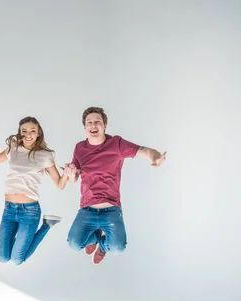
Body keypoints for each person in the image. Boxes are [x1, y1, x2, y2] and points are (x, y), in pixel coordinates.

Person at [65, 106, 167, 265]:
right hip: (87, 208)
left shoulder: (116, 144)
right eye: (89, 122)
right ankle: (95, 236)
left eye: (97, 122)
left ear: (105, 125)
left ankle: (103, 246)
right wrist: (71, 175)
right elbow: (74, 177)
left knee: (118, 248)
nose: (93, 125)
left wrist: (156, 157)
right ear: (84, 127)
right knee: (74, 244)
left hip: (111, 209)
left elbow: (145, 150)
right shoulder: (80, 148)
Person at [0, 116, 73, 265]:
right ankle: (27, 238)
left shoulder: (45, 155)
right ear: (20, 132)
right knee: (3, 258)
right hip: (9, 209)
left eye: (32, 131)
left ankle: (47, 224)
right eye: (24, 131)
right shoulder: (13, 148)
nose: (28, 134)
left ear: (38, 133)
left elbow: (59, 184)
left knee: (17, 259)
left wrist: (67, 174)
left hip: (29, 212)